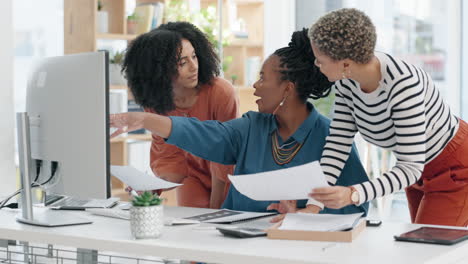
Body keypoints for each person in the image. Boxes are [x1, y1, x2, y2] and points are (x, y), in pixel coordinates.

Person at [112, 29, 369, 221]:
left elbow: (356, 208)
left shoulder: (332, 137)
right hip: (234, 244)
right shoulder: (251, 127)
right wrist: (145, 120)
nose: (255, 86)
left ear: (287, 90)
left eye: (262, 78)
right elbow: (205, 134)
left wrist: (302, 214)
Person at [307, 8, 468, 226]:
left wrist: (353, 194)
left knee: (427, 248)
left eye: (319, 60)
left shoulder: (403, 85)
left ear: (345, 63)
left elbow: (410, 167)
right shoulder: (346, 82)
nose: (317, 66)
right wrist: (313, 205)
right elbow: (338, 144)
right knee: (417, 245)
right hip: (416, 167)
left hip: (453, 164)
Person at [122, 22, 239, 209]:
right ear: (160, 70)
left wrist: (216, 211)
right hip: (192, 177)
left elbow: (225, 157)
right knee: (192, 227)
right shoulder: (156, 103)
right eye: (183, 62)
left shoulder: (221, 92)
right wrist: (152, 187)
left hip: (230, 175)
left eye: (194, 56)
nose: (194, 67)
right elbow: (170, 160)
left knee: (218, 222)